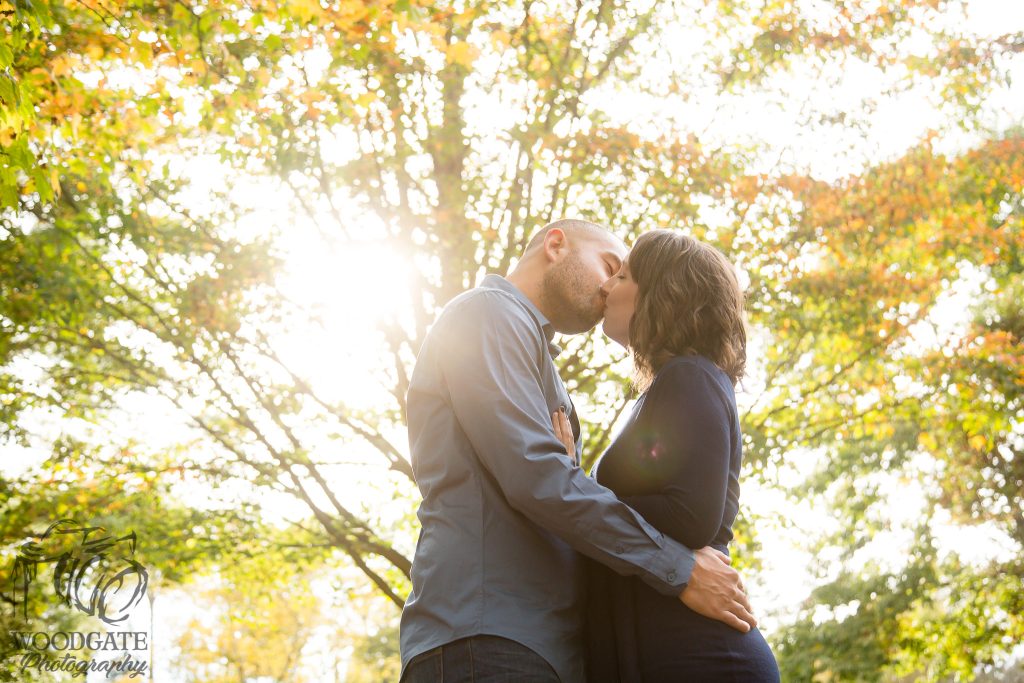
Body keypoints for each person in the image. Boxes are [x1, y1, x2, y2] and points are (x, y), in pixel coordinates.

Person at [399, 219, 757, 683]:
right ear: (555, 245)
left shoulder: (537, 357)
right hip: (490, 639)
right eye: (610, 266)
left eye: (622, 275)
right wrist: (679, 567)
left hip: (541, 647)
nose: (610, 287)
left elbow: (559, 488)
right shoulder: (487, 315)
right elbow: (538, 477)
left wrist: (575, 477)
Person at [551, 229, 780, 681]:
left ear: (662, 294)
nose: (607, 287)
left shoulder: (691, 376)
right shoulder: (671, 388)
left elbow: (692, 515)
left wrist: (570, 485)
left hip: (703, 658)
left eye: (625, 276)